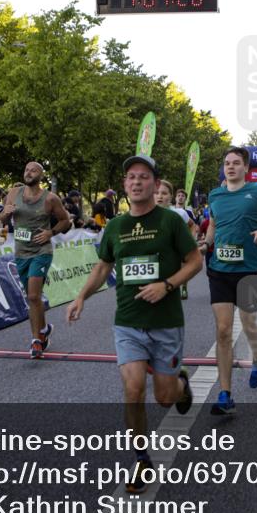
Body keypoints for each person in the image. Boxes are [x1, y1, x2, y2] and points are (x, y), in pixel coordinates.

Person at [68, 154, 201, 493]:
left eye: (143, 177)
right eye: (131, 177)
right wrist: (81, 295)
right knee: (132, 389)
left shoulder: (170, 222)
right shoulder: (115, 226)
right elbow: (103, 267)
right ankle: (142, 459)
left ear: (155, 185)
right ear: (125, 186)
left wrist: (167, 285)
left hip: (166, 322)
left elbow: (195, 260)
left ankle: (180, 385)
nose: (136, 182)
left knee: (164, 397)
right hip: (127, 322)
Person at [199, 146, 257, 414]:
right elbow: (213, 224)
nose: (230, 167)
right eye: (226, 163)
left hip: (247, 269)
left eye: (236, 163)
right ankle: (225, 394)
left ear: (246, 168)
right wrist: (206, 243)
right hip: (219, 269)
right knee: (223, 329)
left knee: (248, 323)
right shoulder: (215, 195)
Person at [1, 162, 72, 359]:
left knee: (33, 296)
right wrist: (5, 215)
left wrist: (51, 232)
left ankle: (36, 341)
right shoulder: (14, 193)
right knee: (33, 297)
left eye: (33, 170)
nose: (28, 173)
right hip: (21, 253)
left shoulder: (50, 198)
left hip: (42, 251)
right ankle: (44, 329)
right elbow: (1, 221)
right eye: (26, 170)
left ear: (41, 175)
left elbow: (65, 221)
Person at [155, 179, 199, 299]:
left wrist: (188, 241)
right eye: (156, 193)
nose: (159, 196)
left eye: (164, 193)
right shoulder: (144, 214)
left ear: (170, 197)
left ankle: (183, 286)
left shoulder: (179, 213)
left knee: (181, 267)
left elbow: (192, 225)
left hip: (175, 250)